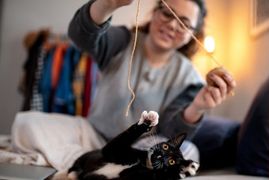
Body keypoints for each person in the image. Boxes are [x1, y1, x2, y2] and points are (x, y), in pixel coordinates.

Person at [68, 0, 236, 168]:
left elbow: (170, 134)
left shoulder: (190, 80)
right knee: (41, 126)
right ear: (155, 12)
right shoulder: (124, 40)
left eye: (183, 24)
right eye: (167, 14)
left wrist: (197, 107)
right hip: (91, 137)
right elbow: (80, 37)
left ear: (193, 34)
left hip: (136, 151)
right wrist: (107, 4)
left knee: (187, 151)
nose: (171, 24)